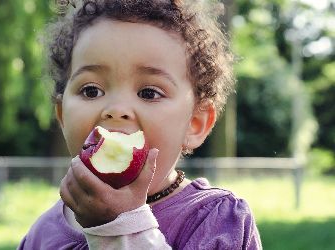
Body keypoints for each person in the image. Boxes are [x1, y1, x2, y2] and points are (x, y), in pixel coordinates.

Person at [18, 0, 262, 249]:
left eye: (148, 93)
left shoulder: (216, 221)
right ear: (61, 115)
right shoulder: (42, 234)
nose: (116, 110)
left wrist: (118, 228)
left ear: (195, 123)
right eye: (91, 90)